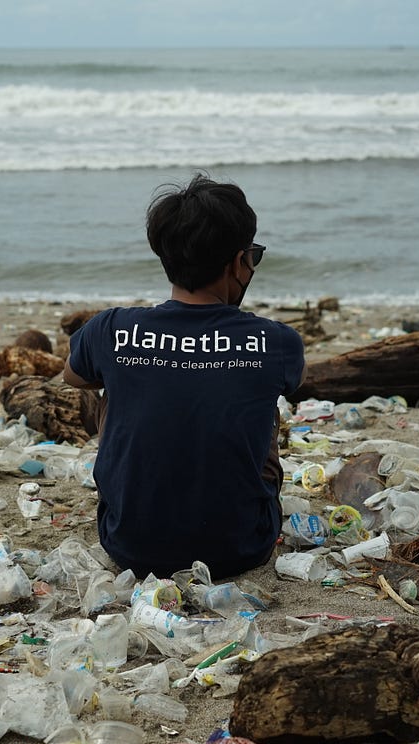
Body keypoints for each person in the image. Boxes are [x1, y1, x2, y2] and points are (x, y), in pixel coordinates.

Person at [64, 174, 306, 579]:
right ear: (238, 262)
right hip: (242, 546)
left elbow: (73, 377)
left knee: (114, 389)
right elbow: (291, 383)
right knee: (264, 404)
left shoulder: (110, 330)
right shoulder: (274, 341)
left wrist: (146, 365)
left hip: (128, 545)